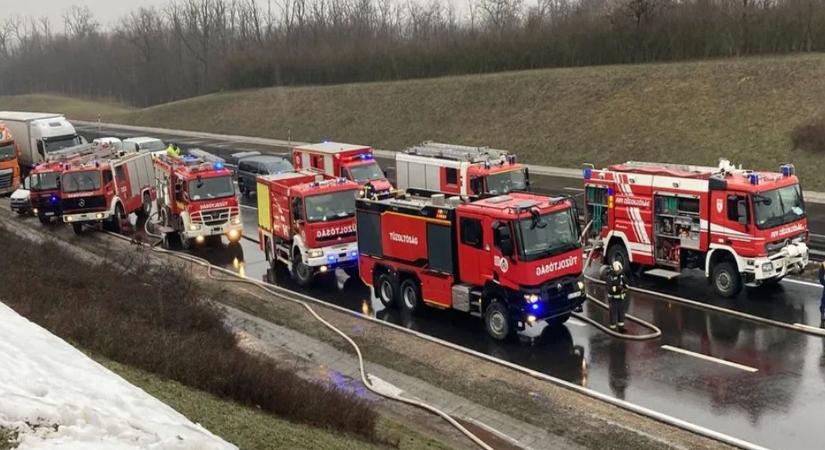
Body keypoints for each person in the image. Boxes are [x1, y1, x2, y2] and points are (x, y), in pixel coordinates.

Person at [607, 261, 629, 330]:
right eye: (617, 271)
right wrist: (617, 288)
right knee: (613, 313)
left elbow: (627, 285)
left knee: (621, 312)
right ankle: (612, 327)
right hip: (613, 299)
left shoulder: (622, 276)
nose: (618, 272)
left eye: (619, 271)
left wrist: (624, 288)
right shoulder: (610, 277)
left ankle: (621, 327)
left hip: (621, 298)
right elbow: (610, 289)